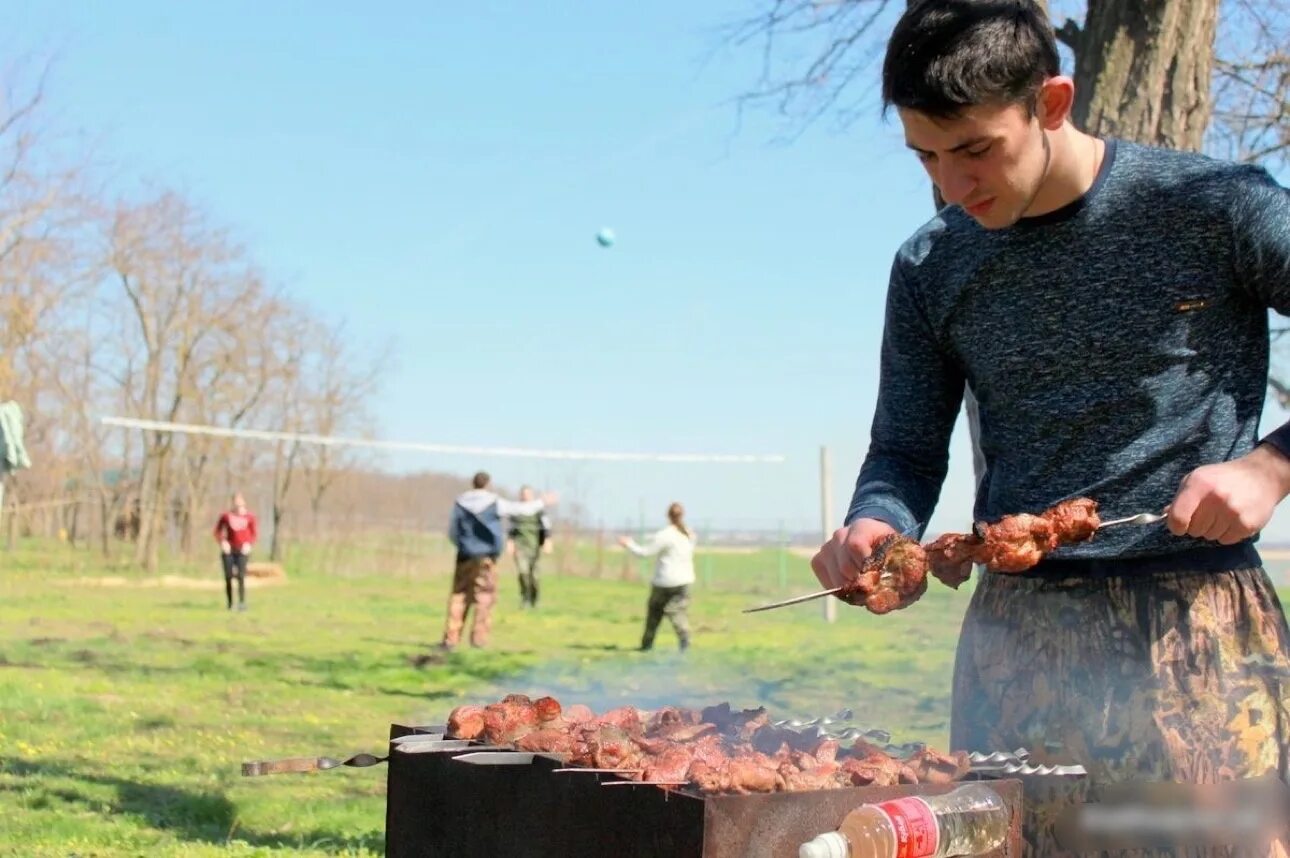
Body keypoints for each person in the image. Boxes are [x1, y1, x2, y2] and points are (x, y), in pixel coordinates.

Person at [808, 2, 1290, 854]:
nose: (953, 187)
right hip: (1014, 644)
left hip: (1196, 632)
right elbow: (906, 450)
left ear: (1053, 102)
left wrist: (1272, 467)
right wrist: (879, 524)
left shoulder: (1213, 208)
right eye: (926, 156)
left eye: (975, 151)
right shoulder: (931, 264)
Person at [442, 472, 553, 650]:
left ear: (473, 483)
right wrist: (542, 502)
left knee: (459, 596)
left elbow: (453, 531)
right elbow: (520, 509)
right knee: (484, 597)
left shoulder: (460, 503)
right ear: (488, 484)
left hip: (464, 555)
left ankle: (451, 639)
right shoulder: (494, 502)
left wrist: (461, 544)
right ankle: (478, 640)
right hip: (486, 557)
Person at [619, 502, 696, 652]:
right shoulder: (689, 534)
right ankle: (684, 638)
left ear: (668, 516)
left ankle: (647, 645)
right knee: (677, 611)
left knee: (654, 614)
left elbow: (645, 553)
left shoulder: (665, 535)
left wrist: (628, 543)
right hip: (685, 580)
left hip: (664, 581)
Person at [506, 485, 552, 608]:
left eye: (528, 493)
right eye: (524, 493)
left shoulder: (538, 510)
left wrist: (547, 541)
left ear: (531, 495)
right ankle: (525, 598)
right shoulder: (516, 510)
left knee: (535, 576)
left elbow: (546, 527)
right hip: (520, 547)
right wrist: (510, 543)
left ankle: (535, 599)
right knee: (523, 572)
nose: (526, 496)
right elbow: (511, 529)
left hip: (534, 546)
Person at [213, 493, 257, 612]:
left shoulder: (250, 517)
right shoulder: (226, 516)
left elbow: (253, 534)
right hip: (229, 551)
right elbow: (217, 531)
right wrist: (223, 542)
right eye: (236, 501)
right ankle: (230, 603)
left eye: (240, 501)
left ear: (244, 502)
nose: (238, 504)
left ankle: (242, 603)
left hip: (242, 550)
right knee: (228, 576)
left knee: (241, 576)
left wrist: (249, 544)